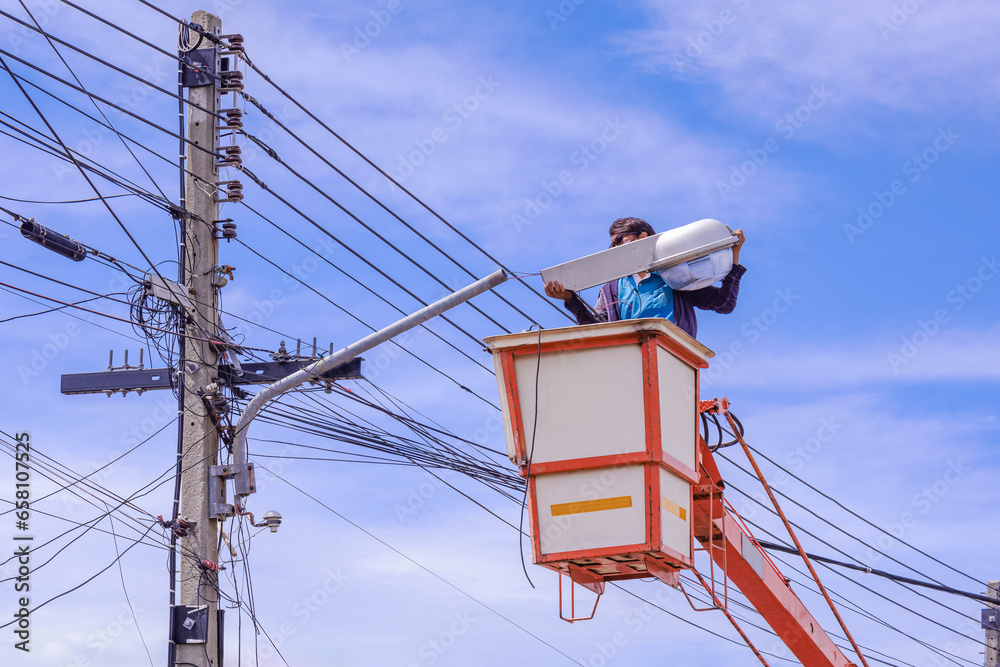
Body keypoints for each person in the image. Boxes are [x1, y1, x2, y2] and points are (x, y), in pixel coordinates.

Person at [544, 217, 746, 339]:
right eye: (612, 245)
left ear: (642, 236)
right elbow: (596, 329)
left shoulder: (674, 275)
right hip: (630, 361)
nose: (615, 248)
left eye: (619, 240)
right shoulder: (611, 288)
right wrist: (570, 300)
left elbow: (724, 303)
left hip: (675, 355)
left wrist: (734, 258)